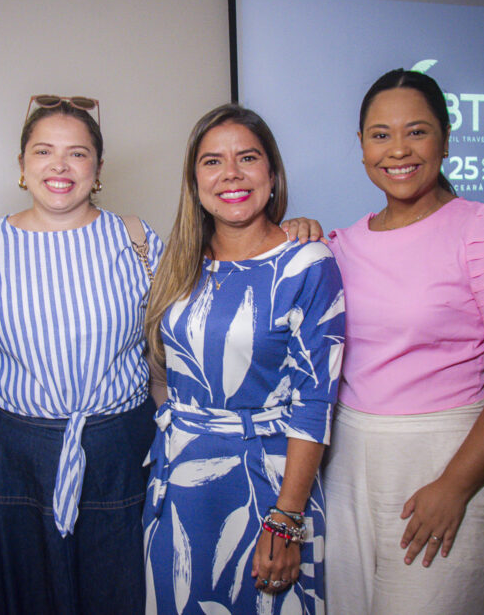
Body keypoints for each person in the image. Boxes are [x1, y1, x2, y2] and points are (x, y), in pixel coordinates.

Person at [324, 69, 484, 614]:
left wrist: (455, 485)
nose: (398, 149)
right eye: (380, 134)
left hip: (444, 458)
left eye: (417, 131)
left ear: (446, 140)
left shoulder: (483, 229)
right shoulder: (341, 243)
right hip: (347, 462)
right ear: (360, 145)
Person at [0, 95, 164, 614]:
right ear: (22, 166)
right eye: (43, 151)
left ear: (97, 170)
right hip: (17, 453)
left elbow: (174, 341)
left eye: (77, 153)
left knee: (118, 595)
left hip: (117, 448)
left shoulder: (137, 239)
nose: (60, 166)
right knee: (27, 598)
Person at [142, 104, 345, 614]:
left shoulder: (306, 263)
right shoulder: (182, 261)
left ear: (271, 174)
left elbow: (315, 400)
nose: (230, 173)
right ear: (194, 180)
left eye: (247, 158)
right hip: (179, 484)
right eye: (212, 161)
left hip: (267, 488)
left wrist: (285, 520)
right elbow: (165, 374)